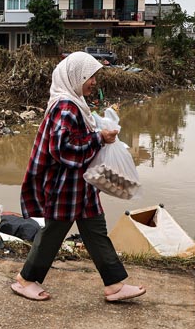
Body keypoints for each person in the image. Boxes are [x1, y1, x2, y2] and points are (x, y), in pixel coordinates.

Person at [11, 51, 146, 302]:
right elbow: (61, 148)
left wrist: (99, 132)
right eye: (90, 76)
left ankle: (114, 285)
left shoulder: (75, 104)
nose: (94, 81)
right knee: (53, 233)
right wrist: (99, 138)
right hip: (65, 186)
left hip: (81, 184)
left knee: (95, 231)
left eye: (95, 76)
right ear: (75, 76)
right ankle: (25, 280)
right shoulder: (66, 107)